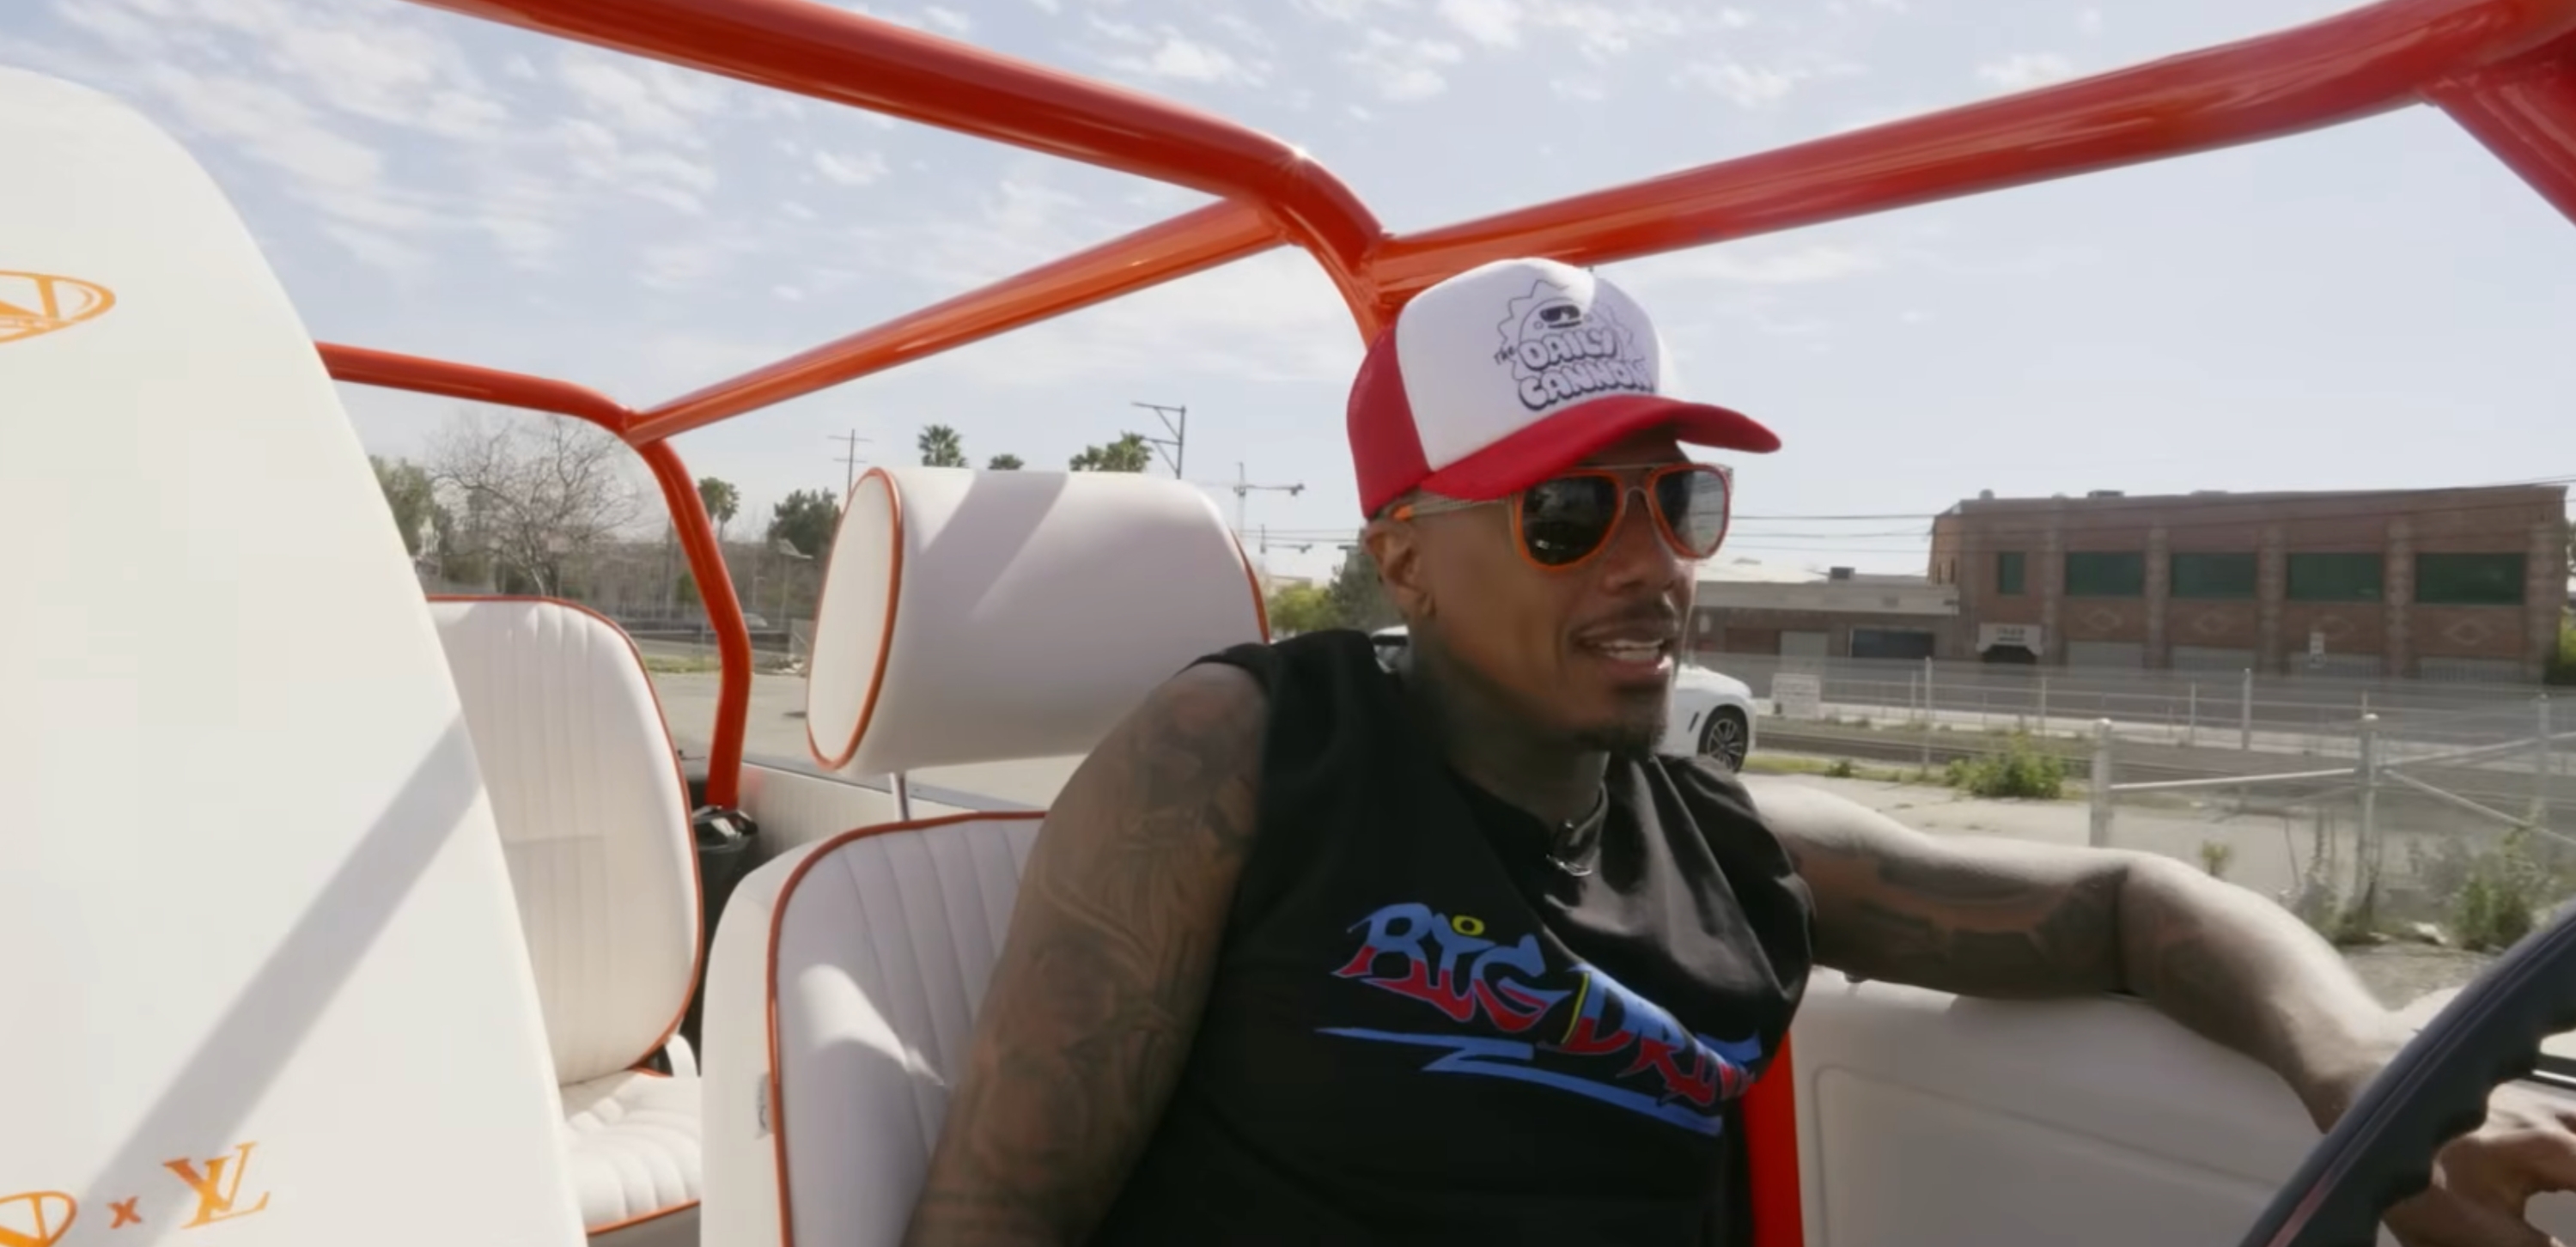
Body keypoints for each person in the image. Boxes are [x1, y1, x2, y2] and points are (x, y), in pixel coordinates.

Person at [903, 257, 2576, 1246]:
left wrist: (2364, 1067)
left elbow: (2136, 905)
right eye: (1571, 511)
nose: (1653, 564)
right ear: (1406, 554)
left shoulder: (1735, 855)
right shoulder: (1245, 755)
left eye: (1680, 501)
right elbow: (1002, 1215)